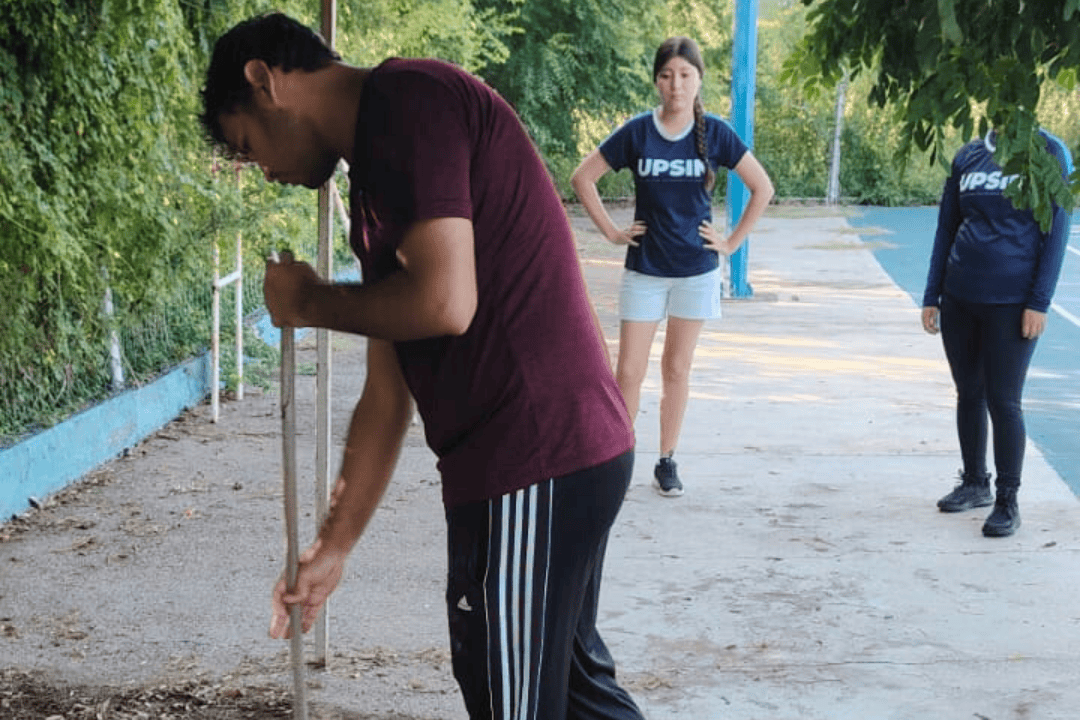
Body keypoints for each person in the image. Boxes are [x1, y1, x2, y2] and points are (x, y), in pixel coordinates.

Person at [199, 13, 644, 720]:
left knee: (513, 702)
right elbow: (387, 393)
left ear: (264, 81)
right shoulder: (377, 181)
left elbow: (444, 302)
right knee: (573, 698)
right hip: (549, 462)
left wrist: (310, 302)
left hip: (532, 460)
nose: (267, 173)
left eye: (248, 146)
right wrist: (333, 545)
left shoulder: (407, 105)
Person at [571, 36, 773, 498]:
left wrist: (730, 243)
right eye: (666, 75)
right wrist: (611, 232)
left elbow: (762, 187)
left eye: (685, 75)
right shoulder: (638, 132)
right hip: (645, 270)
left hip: (695, 273)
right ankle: (617, 460)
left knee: (677, 369)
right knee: (628, 371)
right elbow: (583, 178)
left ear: (699, 79)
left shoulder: (716, 133)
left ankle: (666, 459)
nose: (676, 85)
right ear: (656, 81)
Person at [922, 128, 1072, 538]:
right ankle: (975, 483)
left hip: (1012, 302)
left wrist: (1039, 301)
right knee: (969, 392)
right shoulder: (968, 155)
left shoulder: (1048, 151)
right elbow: (946, 227)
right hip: (960, 296)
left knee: (1004, 400)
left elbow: (1058, 230)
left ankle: (1008, 500)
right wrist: (932, 294)